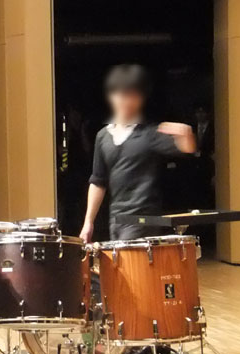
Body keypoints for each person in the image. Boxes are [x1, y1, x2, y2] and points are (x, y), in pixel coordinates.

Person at [79, 64, 196, 242]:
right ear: (112, 96)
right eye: (122, 95)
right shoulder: (103, 136)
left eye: (133, 96)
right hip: (116, 219)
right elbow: (98, 181)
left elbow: (188, 149)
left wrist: (186, 134)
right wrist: (88, 222)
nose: (127, 101)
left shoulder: (149, 134)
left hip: (143, 219)